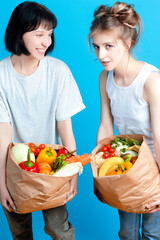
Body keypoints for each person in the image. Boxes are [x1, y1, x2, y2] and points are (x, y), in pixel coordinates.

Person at [0, 1, 85, 240]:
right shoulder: (1, 75)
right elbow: (3, 136)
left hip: (52, 167)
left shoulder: (58, 71)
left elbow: (65, 128)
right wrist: (1, 185)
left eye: (49, 34)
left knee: (60, 230)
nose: (46, 41)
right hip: (14, 170)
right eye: (39, 34)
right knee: (20, 232)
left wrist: (73, 171)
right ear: (19, 33)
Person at [88, 1, 160, 240]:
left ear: (127, 43)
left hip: (154, 169)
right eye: (97, 46)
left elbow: (159, 138)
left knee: (152, 233)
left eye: (108, 46)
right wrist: (97, 166)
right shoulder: (105, 78)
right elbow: (106, 126)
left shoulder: (151, 81)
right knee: (127, 233)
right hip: (125, 165)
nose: (101, 55)